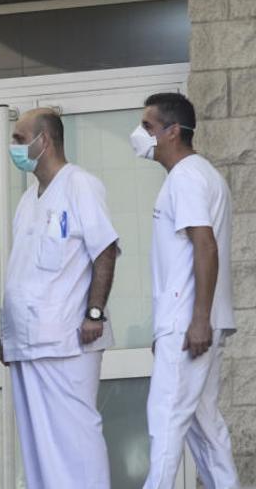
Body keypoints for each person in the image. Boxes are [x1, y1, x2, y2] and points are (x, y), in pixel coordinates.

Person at [0, 108, 119, 489]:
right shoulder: (28, 200)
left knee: (75, 438)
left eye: (19, 138)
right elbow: (25, 271)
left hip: (67, 340)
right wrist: (10, 334)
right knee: (39, 448)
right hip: (28, 344)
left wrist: (94, 313)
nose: (13, 146)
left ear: (44, 141)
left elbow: (105, 250)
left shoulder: (80, 184)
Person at [132, 93, 239, 489]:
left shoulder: (188, 177)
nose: (141, 134)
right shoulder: (199, 175)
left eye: (148, 126)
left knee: (166, 419)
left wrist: (197, 321)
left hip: (189, 323)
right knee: (204, 427)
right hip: (190, 321)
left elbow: (204, 244)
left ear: (172, 131)